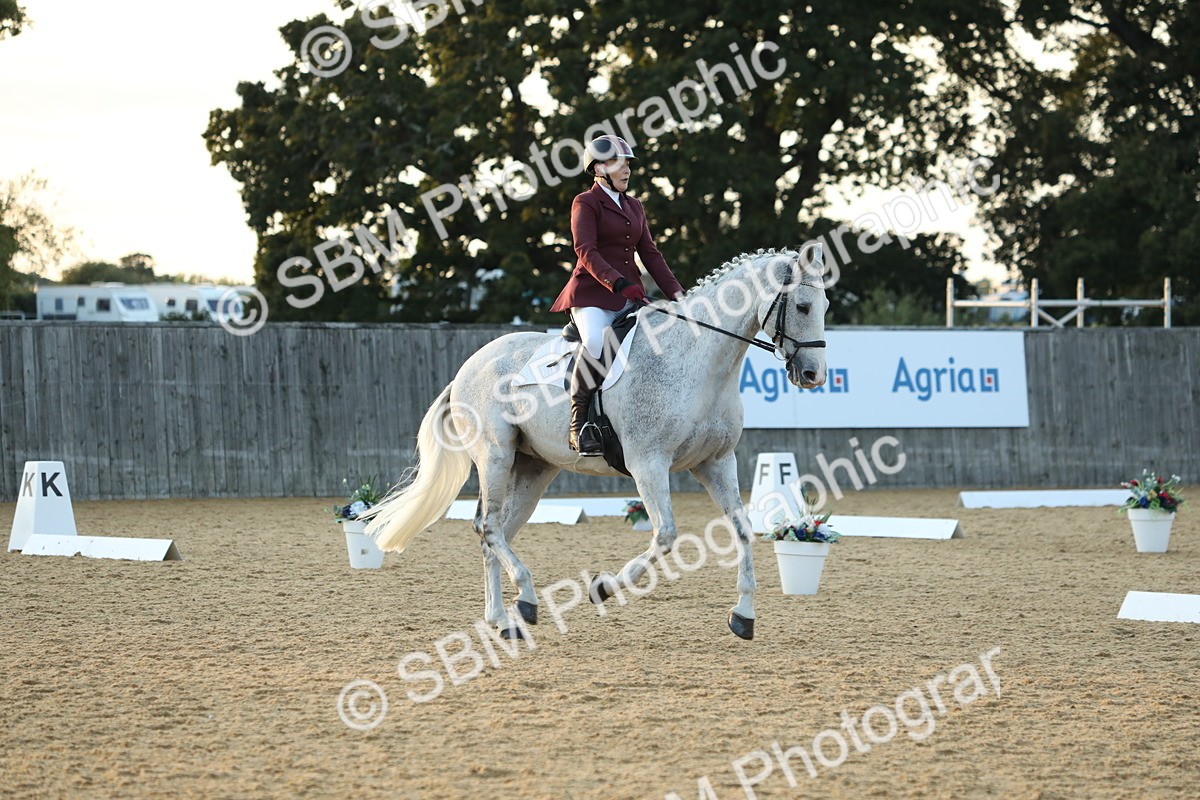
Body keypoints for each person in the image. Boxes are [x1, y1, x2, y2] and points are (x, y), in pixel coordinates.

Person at [549, 135, 686, 456]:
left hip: (631, 294)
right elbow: (585, 250)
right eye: (618, 164)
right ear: (598, 168)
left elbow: (651, 254)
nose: (626, 170)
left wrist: (679, 294)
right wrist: (618, 282)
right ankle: (578, 424)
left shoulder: (634, 205)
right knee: (597, 342)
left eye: (628, 164)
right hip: (592, 295)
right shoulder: (586, 202)